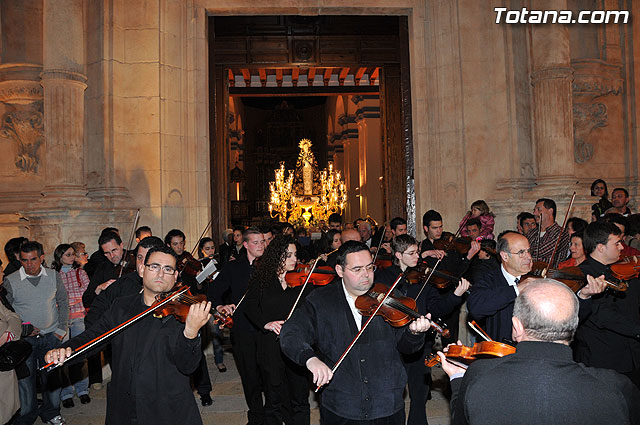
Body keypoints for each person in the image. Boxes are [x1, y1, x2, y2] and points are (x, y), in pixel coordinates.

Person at [45, 245, 210, 425]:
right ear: (141, 270)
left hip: (167, 408)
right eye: (154, 266)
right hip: (124, 406)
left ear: (175, 277)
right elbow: (92, 337)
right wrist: (64, 350)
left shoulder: (184, 314)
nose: (161, 274)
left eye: (168, 269)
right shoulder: (121, 307)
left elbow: (188, 366)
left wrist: (191, 333)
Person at [441, 279, 640, 425]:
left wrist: (458, 379)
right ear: (574, 326)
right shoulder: (615, 387)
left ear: (516, 327)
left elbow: (462, 419)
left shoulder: (480, 376)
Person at [280, 241, 433, 424]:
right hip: (342, 406)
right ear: (339, 270)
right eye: (357, 269)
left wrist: (414, 334)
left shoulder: (391, 297)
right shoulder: (320, 301)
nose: (366, 275)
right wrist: (309, 358)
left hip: (386, 405)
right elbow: (291, 332)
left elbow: (407, 348)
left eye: (369, 267)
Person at [375, 234, 469, 425]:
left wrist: (455, 295)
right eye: (411, 253)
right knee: (392, 393)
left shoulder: (424, 278)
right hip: (392, 342)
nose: (417, 256)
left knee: (419, 393)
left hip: (420, 343)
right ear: (399, 255)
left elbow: (437, 308)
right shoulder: (384, 277)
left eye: (417, 251)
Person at [467, 231, 602, 343]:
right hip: (500, 354)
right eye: (521, 252)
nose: (529, 257)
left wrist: (584, 296)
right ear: (504, 256)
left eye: (528, 251)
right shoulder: (489, 278)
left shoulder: (539, 280)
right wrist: (516, 289)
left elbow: (568, 320)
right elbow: (476, 307)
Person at [244, 235, 310, 425]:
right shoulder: (263, 279)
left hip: (296, 344)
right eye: (288, 255)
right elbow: (250, 306)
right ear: (276, 256)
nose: (293, 259)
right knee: (274, 400)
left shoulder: (302, 281)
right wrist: (265, 323)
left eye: (295, 255)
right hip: (270, 346)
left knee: (299, 399)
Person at [4, 240, 69, 425]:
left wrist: (61, 330)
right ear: (19, 259)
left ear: (42, 258)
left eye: (33, 259)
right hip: (26, 342)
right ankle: (27, 417)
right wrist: (24, 329)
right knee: (26, 382)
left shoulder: (53, 276)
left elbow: (63, 303)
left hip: (52, 337)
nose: (29, 264)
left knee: (52, 379)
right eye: (24, 260)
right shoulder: (11, 280)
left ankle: (51, 413)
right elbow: (7, 313)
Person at [209, 227, 266, 425]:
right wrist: (221, 305)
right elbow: (214, 291)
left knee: (269, 375)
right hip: (243, 330)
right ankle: (257, 417)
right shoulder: (234, 267)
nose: (261, 246)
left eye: (263, 242)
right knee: (250, 376)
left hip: (267, 329)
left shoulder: (271, 266)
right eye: (256, 242)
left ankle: (272, 414)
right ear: (246, 245)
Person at [574, 221, 640, 388]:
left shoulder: (620, 270)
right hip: (605, 360)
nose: (622, 248)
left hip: (631, 355)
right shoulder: (583, 276)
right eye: (616, 243)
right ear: (601, 247)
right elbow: (602, 315)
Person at [52, 244, 91, 408]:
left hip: (78, 317)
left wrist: (66, 301)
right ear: (60, 257)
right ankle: (66, 393)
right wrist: (66, 301)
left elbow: (86, 293)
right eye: (68, 254)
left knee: (81, 355)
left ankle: (83, 390)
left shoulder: (80, 272)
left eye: (73, 254)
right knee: (62, 358)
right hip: (61, 320)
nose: (72, 257)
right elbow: (54, 297)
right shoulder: (54, 275)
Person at [197, 237, 226, 373]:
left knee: (216, 331)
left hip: (215, 303)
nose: (211, 251)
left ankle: (219, 360)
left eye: (212, 248)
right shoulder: (197, 265)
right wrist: (201, 279)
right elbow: (197, 286)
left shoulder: (218, 263)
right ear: (201, 251)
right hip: (201, 302)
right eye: (207, 249)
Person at [0, 260, 21, 424]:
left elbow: (12, 316)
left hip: (4, 359)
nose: (3, 274)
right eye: (0, 271)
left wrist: (8, 334)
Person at [526, 198, 570, 268]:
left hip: (550, 276)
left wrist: (524, 252)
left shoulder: (561, 233)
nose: (534, 213)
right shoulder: (532, 232)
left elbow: (540, 251)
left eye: (539, 210)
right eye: (534, 210)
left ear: (550, 211)